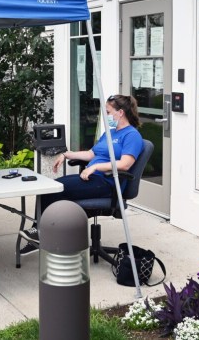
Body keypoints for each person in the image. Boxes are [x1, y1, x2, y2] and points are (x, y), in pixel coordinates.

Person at [19, 94, 144, 255]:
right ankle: (40, 232)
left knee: (55, 190)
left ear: (120, 113)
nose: (105, 116)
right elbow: (92, 154)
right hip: (92, 178)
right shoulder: (110, 133)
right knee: (49, 187)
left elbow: (125, 164)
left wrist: (96, 167)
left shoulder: (131, 135)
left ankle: (41, 234)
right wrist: (67, 155)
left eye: (108, 112)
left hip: (107, 183)